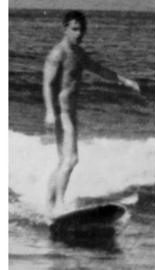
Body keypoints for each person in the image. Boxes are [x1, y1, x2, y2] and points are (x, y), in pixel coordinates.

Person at [43, 11, 140, 216]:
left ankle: (48, 206)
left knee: (64, 161)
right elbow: (47, 84)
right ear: (65, 28)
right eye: (74, 29)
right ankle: (59, 205)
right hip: (62, 114)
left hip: (71, 113)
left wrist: (125, 81)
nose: (78, 33)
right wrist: (50, 112)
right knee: (71, 160)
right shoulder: (57, 53)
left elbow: (100, 69)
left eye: (81, 29)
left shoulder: (79, 54)